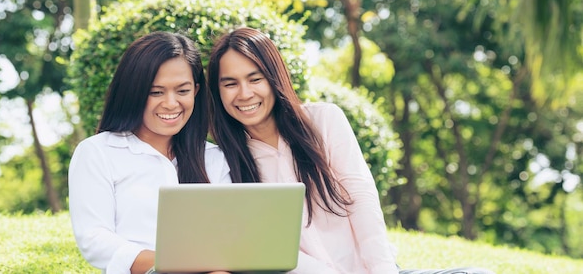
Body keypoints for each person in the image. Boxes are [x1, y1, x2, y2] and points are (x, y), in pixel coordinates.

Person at [206, 27, 495, 274]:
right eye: (230, 84)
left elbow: (361, 197)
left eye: (255, 79)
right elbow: (270, 251)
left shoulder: (323, 120)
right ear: (218, 92)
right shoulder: (225, 163)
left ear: (274, 78)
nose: (244, 94)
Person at [68, 31, 231, 274]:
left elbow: (227, 237)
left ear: (196, 91)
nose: (171, 103)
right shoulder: (97, 153)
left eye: (183, 91)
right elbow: (94, 239)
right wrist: (171, 267)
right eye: (156, 92)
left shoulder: (214, 158)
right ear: (134, 92)